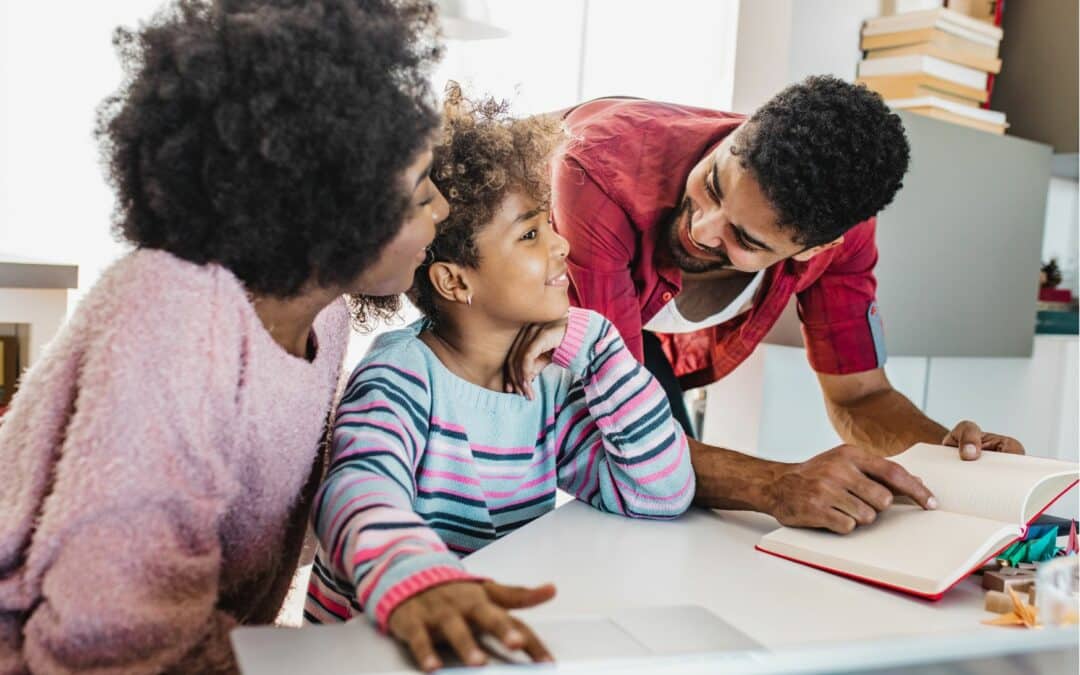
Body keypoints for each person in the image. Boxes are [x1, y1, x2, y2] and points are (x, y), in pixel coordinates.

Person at [0, 1, 448, 672]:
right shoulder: (172, 315)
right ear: (326, 211)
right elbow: (103, 639)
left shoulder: (322, 318)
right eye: (420, 192)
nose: (443, 206)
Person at [304, 87, 695, 672]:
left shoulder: (547, 380)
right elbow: (356, 488)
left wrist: (599, 344)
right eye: (531, 234)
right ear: (455, 282)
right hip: (369, 653)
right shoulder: (401, 378)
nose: (562, 244)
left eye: (549, 225)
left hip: (474, 647)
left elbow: (658, 493)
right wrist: (417, 578)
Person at [546, 77, 1024, 535]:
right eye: (712, 184)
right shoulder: (600, 173)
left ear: (817, 249)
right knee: (639, 486)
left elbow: (860, 397)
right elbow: (624, 431)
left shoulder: (842, 235)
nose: (702, 230)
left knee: (674, 516)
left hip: (626, 342)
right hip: (513, 314)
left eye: (745, 239)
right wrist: (775, 484)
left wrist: (950, 459)